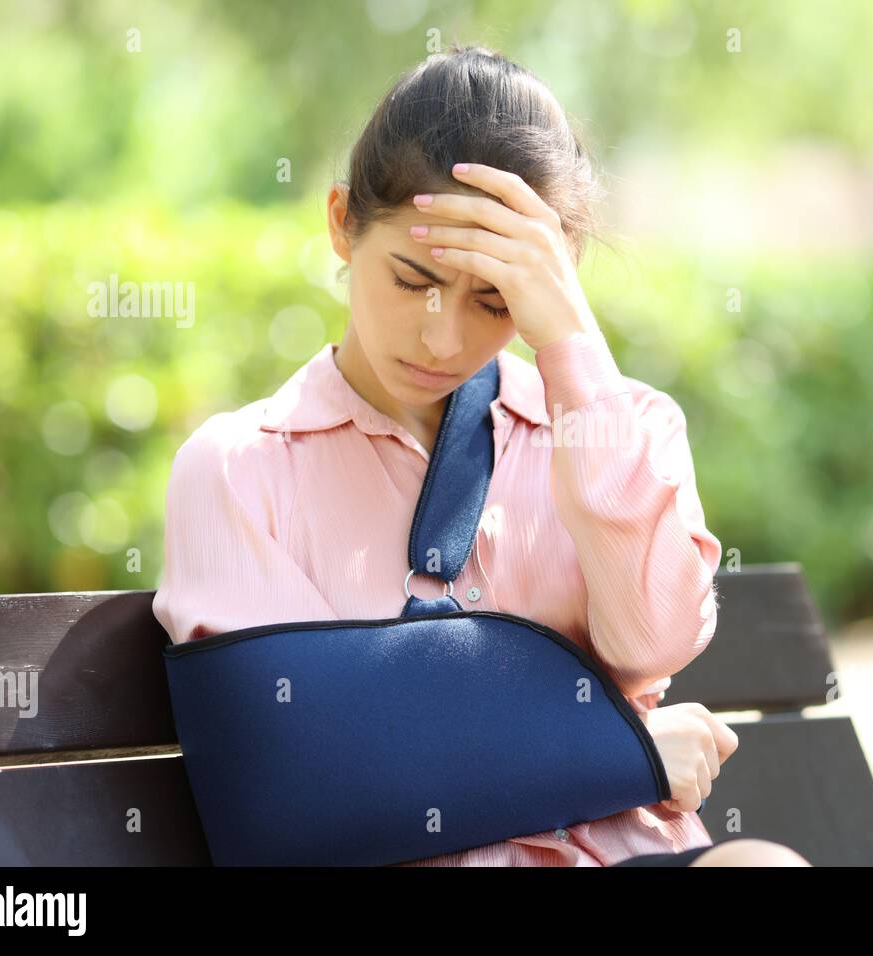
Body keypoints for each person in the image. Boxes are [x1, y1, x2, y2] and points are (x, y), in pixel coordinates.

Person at [151, 42, 809, 869]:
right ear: (340, 224)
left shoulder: (620, 426)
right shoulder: (243, 469)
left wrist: (569, 345)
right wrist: (624, 754)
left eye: (495, 299)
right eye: (410, 278)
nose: (442, 337)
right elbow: (298, 789)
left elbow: (651, 642)